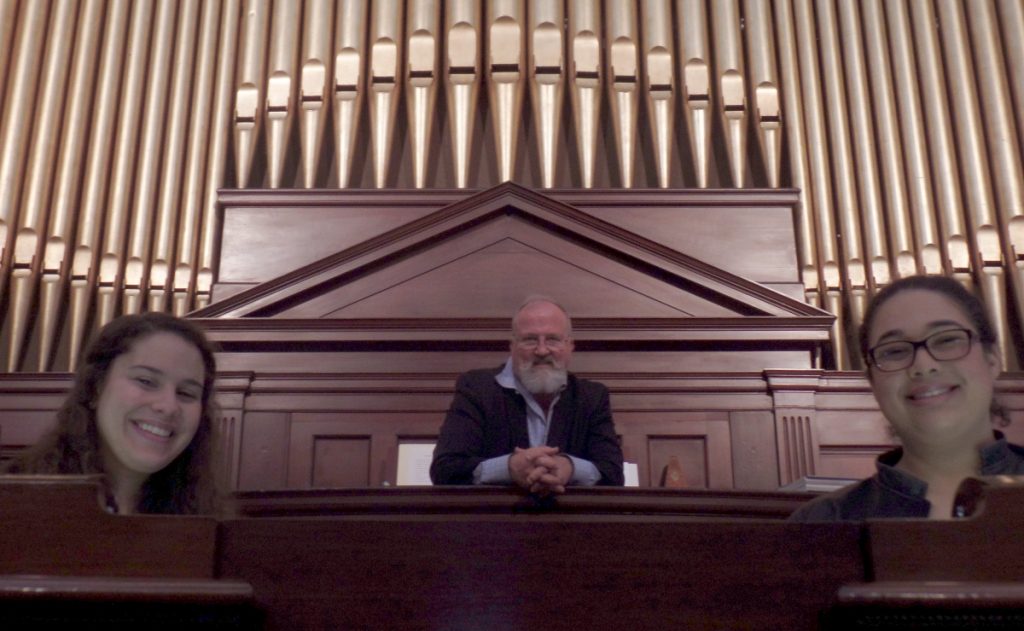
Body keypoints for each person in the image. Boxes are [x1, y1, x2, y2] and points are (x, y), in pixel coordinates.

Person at [790, 275, 1024, 521]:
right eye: (895, 351)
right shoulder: (821, 522)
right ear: (872, 382)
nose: (923, 366)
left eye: (946, 340)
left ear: (993, 359)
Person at [4, 312, 220, 515]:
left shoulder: (213, 525)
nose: (169, 406)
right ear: (96, 388)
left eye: (186, 393)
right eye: (145, 381)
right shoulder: (10, 504)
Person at [430, 296, 624, 494]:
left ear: (570, 346)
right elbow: (445, 469)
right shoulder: (476, 389)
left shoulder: (592, 397)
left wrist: (568, 467)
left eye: (553, 339)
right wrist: (510, 467)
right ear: (512, 346)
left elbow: (613, 474)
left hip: (569, 521)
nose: (541, 350)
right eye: (530, 340)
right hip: (495, 521)